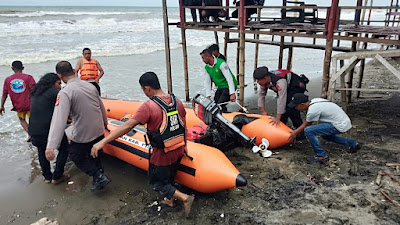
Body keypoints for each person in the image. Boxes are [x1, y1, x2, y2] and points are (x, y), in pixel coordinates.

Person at [90, 72, 195, 217]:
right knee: (168, 177)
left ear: (147, 88)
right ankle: (170, 200)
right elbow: (183, 123)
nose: (144, 93)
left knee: (156, 182)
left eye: (143, 90)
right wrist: (185, 145)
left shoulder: (149, 106)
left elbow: (127, 126)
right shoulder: (176, 100)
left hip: (162, 153)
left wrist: (103, 141)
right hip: (178, 147)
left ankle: (185, 198)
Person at [46, 61, 110, 192]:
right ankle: (99, 177)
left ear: (59, 75)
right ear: (74, 71)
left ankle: (98, 176)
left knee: (75, 154)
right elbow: (100, 106)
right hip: (98, 129)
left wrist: (51, 145)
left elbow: (59, 119)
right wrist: (104, 122)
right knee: (95, 154)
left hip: (84, 133)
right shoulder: (90, 86)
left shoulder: (65, 92)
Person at [288, 93, 362, 163]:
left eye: (296, 106)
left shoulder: (313, 110)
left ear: (302, 104)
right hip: (343, 121)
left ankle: (322, 156)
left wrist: (295, 133)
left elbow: (306, 124)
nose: (295, 108)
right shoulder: (315, 101)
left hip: (339, 124)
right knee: (326, 136)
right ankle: (353, 144)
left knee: (308, 130)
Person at [29, 73, 69, 184]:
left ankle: (47, 177)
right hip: (47, 129)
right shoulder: (55, 93)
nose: (60, 86)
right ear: (52, 83)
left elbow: (46, 110)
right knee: (64, 149)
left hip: (33, 130)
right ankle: (57, 176)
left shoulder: (35, 93)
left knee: (41, 151)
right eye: (58, 83)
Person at [1, 61, 36, 141]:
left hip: (18, 104)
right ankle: (34, 134)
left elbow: (4, 94)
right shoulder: (28, 77)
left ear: (12, 69)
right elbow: (34, 90)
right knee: (32, 120)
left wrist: (2, 105)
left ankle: (30, 134)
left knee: (22, 120)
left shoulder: (8, 80)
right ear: (23, 68)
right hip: (30, 104)